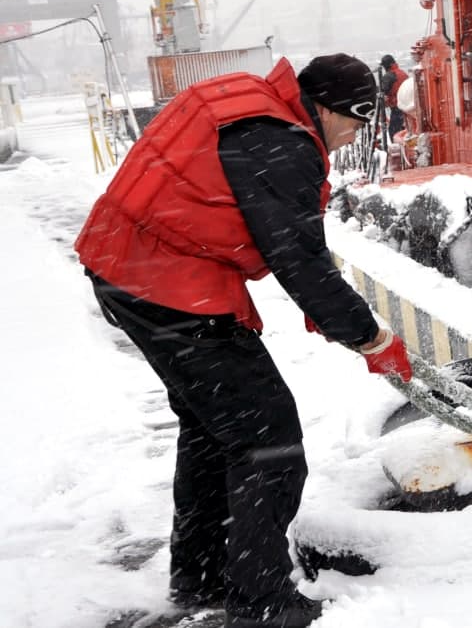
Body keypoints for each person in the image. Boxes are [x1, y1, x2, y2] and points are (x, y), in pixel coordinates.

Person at [75, 53, 413, 628]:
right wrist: (369, 336)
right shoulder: (280, 140)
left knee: (215, 431)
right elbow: (297, 256)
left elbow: (260, 229)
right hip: (165, 283)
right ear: (329, 109)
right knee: (268, 440)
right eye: (355, 122)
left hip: (132, 265)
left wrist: (324, 307)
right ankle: (261, 601)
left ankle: (202, 575)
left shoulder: (248, 101)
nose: (354, 135)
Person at [379, 54, 409, 137]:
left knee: (393, 132)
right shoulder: (403, 73)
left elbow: (382, 91)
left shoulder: (388, 76)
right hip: (407, 107)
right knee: (405, 131)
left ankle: (397, 148)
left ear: (385, 66)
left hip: (397, 108)